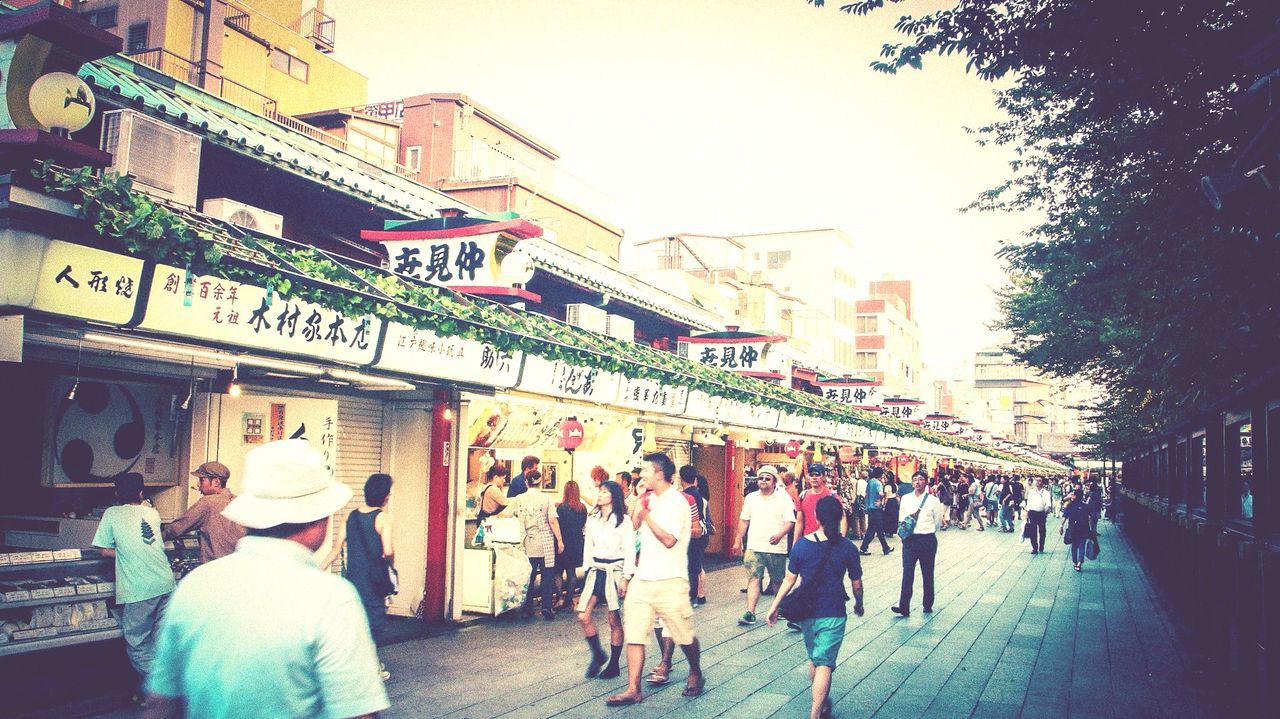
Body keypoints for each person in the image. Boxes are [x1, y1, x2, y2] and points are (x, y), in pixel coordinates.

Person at [144, 439, 388, 718]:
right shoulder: (331, 598)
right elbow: (358, 714)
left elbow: (160, 704)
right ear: (319, 518)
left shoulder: (194, 586)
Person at [605, 452, 703, 706]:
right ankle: (633, 688)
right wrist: (640, 504)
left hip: (671, 579)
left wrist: (647, 515)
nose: (642, 474)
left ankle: (695, 670)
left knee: (684, 634)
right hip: (643, 577)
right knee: (635, 633)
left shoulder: (677, 502)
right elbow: (634, 527)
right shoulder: (647, 498)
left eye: (646, 470)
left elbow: (670, 540)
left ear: (659, 474)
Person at [767, 496, 864, 719]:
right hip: (834, 611)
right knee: (824, 663)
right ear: (840, 517)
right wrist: (859, 603)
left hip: (807, 611)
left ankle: (821, 704)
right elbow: (856, 582)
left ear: (816, 517)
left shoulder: (802, 545)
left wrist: (775, 606)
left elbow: (789, 580)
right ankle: (815, 714)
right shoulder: (848, 547)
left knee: (815, 659)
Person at [94, 472, 176, 688]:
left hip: (139, 588)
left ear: (116, 493)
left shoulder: (111, 513)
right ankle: (162, 689)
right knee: (160, 641)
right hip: (166, 583)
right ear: (141, 493)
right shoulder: (152, 513)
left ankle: (163, 690)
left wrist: (122, 553)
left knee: (138, 643)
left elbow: (104, 550)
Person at [321, 473, 396, 679]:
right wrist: (392, 565)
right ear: (385, 496)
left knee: (357, 623)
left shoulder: (350, 516)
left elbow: (336, 549)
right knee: (371, 625)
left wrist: (319, 569)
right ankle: (372, 669)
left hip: (353, 579)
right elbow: (388, 551)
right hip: (374, 581)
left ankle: (361, 664)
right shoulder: (382, 518)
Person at [578, 480, 635, 680]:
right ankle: (598, 654)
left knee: (613, 619)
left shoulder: (623, 521)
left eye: (604, 491)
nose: (600, 494)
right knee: (583, 615)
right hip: (596, 569)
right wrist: (586, 572)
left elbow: (629, 549)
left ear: (613, 496)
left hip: (616, 570)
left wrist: (626, 577)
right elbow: (587, 547)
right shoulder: (592, 519)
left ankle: (614, 664)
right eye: (599, 491)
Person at [734, 466, 795, 625]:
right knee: (754, 578)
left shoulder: (783, 498)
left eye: (767, 478)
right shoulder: (751, 498)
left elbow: (790, 521)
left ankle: (778, 608)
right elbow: (744, 520)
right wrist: (737, 540)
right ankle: (750, 612)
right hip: (754, 546)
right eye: (761, 478)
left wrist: (780, 535)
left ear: (774, 481)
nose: (763, 481)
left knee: (777, 580)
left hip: (776, 548)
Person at [163, 461, 244, 563]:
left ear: (216, 482)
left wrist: (158, 535)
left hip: (213, 566)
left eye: (202, 480)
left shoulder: (207, 502)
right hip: (236, 565)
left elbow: (176, 528)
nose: (198, 485)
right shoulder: (238, 501)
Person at [893, 471, 944, 617]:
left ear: (926, 482)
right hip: (910, 540)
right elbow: (902, 518)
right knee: (907, 572)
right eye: (915, 480)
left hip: (927, 539)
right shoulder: (906, 498)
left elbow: (937, 521)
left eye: (921, 479)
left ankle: (927, 604)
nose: (917, 482)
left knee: (927, 572)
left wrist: (927, 530)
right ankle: (904, 606)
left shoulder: (933, 500)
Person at [514, 470, 563, 619]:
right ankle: (546, 606)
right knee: (547, 576)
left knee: (529, 575)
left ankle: (528, 607)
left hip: (528, 542)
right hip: (545, 542)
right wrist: (560, 540)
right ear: (540, 482)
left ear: (526, 482)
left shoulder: (519, 498)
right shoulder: (546, 498)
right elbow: (553, 520)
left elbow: (508, 514)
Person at [794, 464, 847, 546]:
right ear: (808, 477)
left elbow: (842, 518)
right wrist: (795, 544)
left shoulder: (832, 496)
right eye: (811, 475)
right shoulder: (802, 496)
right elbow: (799, 522)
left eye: (817, 474)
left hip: (828, 541)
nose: (814, 477)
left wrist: (841, 539)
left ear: (823, 477)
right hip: (809, 541)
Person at [555, 479, 589, 609]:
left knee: (557, 571)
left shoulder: (561, 508)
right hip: (577, 542)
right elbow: (583, 524)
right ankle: (569, 598)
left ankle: (559, 598)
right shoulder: (582, 508)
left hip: (563, 542)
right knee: (571, 571)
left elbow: (558, 525)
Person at [679, 465, 709, 606]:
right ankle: (698, 595)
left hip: (692, 535)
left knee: (692, 566)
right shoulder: (699, 495)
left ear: (681, 479)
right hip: (701, 534)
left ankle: (692, 597)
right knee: (697, 566)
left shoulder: (687, 497)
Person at [859, 467, 893, 556]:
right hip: (876, 508)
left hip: (870, 508)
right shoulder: (878, 483)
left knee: (874, 529)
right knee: (877, 529)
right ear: (881, 474)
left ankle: (884, 548)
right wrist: (881, 499)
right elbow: (881, 493)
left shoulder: (870, 482)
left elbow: (866, 494)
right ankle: (884, 548)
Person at [1059, 487, 1092, 572]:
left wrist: (1061, 526)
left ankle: (1074, 562)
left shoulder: (1070, 506)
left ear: (1076, 496)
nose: (1071, 496)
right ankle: (1079, 563)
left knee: (1074, 546)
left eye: (1073, 495)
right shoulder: (1085, 506)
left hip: (1073, 529)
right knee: (1082, 546)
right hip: (1084, 528)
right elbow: (1089, 519)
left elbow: (1064, 517)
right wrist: (1091, 530)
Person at [695, 473, 713, 605]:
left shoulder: (697, 499)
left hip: (699, 535)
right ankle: (700, 593)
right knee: (699, 565)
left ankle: (700, 593)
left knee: (698, 566)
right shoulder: (704, 500)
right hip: (704, 535)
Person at [1025, 476, 1052, 555]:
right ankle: (1034, 548)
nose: (1037, 482)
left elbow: (1048, 504)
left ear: (1043, 482)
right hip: (1032, 513)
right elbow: (1028, 503)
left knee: (1042, 530)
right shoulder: (1031, 492)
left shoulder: (1046, 493)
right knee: (1033, 531)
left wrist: (1047, 509)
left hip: (1041, 513)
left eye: (1040, 481)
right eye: (1036, 480)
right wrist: (1026, 514)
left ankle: (1041, 546)